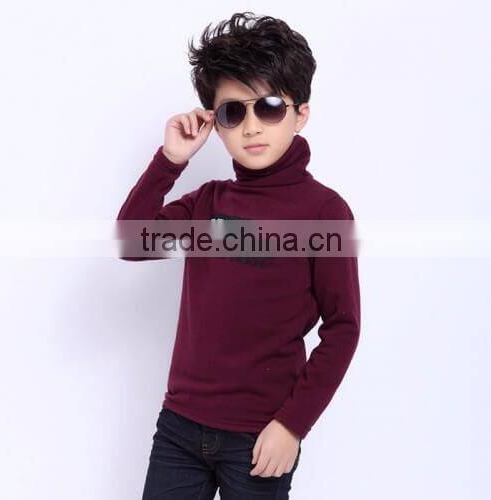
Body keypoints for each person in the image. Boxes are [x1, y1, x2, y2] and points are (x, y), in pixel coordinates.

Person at [117, 11, 361, 500]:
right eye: (233, 112)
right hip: (180, 427)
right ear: (216, 123)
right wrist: (170, 160)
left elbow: (343, 327)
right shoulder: (207, 203)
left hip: (259, 435)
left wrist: (291, 425)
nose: (251, 127)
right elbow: (132, 241)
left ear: (300, 114)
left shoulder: (324, 212)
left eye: (269, 108)